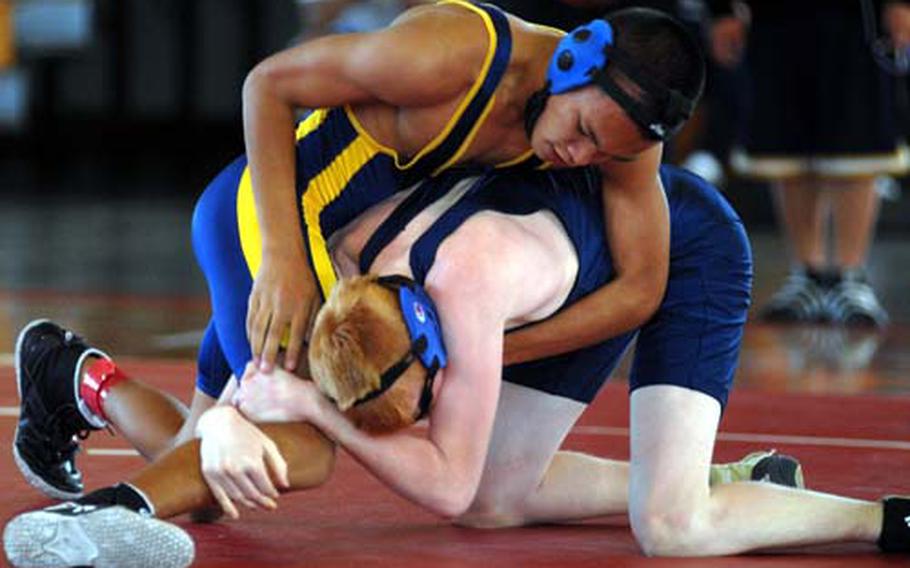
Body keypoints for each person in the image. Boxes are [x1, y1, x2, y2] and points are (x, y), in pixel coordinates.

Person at [15, 161, 907, 568]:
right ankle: (74, 378)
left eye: (422, 391)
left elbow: (443, 478)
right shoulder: (327, 279)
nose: (427, 408)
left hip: (668, 247)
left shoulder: (456, 284)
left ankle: (884, 521)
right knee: (239, 465)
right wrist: (276, 410)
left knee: (662, 524)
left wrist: (300, 409)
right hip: (271, 240)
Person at [11, 3, 707, 502]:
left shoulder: (619, 128)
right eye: (582, 130)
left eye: (603, 153)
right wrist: (284, 258)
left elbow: (641, 290)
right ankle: (101, 522)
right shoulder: (455, 53)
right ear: (571, 59)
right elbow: (269, 84)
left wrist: (486, 353)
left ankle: (74, 376)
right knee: (310, 449)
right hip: (270, 214)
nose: (576, 157)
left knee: (198, 461)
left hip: (333, 254)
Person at [709, 0, 910, 326]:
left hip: (858, 20)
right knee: (785, 149)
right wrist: (721, 11)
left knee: (858, 144)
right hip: (774, 22)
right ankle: (807, 274)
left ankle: (851, 276)